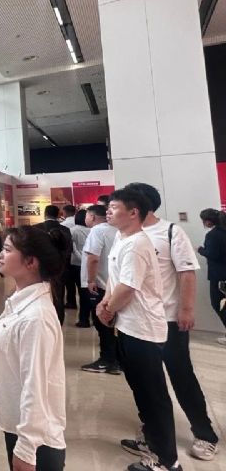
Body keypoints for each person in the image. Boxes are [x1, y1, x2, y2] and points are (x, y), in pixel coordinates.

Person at [117, 184, 219, 462]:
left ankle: (205, 434)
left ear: (139, 206)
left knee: (181, 375)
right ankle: (153, 436)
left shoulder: (170, 232)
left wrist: (186, 310)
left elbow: (187, 272)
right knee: (145, 383)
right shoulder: (124, 234)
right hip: (134, 323)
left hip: (168, 319)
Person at [97, 189, 181, 471]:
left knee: (153, 396)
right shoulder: (122, 238)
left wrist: (108, 309)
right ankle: (151, 442)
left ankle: (167, 460)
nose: (108, 211)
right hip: (128, 325)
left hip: (143, 329)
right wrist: (106, 302)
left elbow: (128, 287)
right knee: (141, 391)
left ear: (133, 212)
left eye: (114, 207)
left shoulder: (136, 244)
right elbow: (116, 280)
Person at [0, 226, 66, 471]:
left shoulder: (35, 318)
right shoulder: (22, 301)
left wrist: (27, 447)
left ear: (30, 262)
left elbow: (34, 384)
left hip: (37, 441)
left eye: (7, 250)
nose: (0, 254)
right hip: (19, 423)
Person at [80, 205, 120, 374]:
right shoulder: (116, 229)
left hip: (99, 284)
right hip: (113, 285)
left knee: (102, 323)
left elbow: (93, 258)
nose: (85, 219)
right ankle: (117, 359)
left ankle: (108, 360)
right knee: (112, 323)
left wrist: (90, 280)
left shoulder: (98, 231)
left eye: (87, 215)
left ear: (93, 217)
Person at [35, 205, 73, 320]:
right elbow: (69, 250)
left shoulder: (36, 229)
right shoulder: (65, 230)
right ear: (58, 215)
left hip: (39, 269)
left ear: (45, 214)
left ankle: (42, 321)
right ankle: (58, 322)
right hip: (60, 268)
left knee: (39, 296)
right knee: (58, 297)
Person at [199, 208, 226, 343]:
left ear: (208, 221)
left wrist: (200, 250)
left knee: (217, 304)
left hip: (219, 276)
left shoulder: (213, 235)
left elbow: (212, 254)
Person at [69, 209, 91, 326]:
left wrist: (81, 258)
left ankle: (83, 319)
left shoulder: (73, 230)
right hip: (90, 264)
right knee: (88, 292)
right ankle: (90, 317)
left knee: (81, 292)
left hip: (76, 264)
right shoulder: (93, 230)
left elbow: (72, 248)